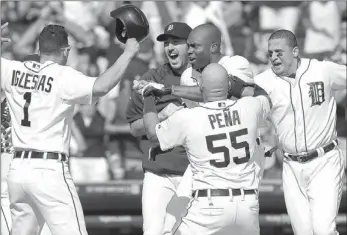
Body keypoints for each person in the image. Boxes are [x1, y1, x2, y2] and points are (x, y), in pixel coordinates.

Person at [0, 22, 139, 235]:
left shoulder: (13, 69)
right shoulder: (63, 76)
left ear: (39, 50)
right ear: (66, 50)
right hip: (49, 170)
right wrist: (128, 54)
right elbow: (102, 86)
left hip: (17, 171)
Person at [140, 63, 271, 235]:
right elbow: (264, 96)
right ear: (228, 86)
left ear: (200, 86)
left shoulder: (189, 117)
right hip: (248, 205)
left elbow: (152, 133)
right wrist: (236, 86)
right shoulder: (249, 107)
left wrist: (148, 97)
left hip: (209, 206)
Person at [254, 29, 346, 235]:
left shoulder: (323, 70)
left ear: (295, 51)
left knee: (323, 230)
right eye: (270, 53)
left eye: (279, 52)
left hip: (325, 161)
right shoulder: (262, 82)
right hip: (291, 166)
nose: (273, 57)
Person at [126, 22, 191, 235]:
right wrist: (161, 116)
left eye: (176, 42)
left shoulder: (207, 78)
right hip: (158, 173)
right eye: (167, 44)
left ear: (190, 46)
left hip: (194, 172)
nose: (170, 48)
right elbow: (134, 128)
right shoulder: (151, 79)